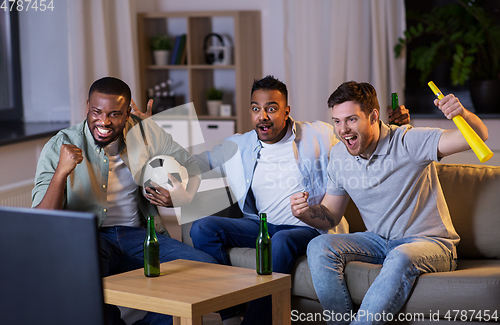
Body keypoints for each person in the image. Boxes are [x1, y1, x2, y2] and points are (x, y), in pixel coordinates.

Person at [189, 76, 409, 325]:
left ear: (286, 112)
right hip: (261, 225)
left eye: (271, 109)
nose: (263, 116)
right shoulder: (239, 145)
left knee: (281, 240)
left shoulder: (319, 134)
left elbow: (359, 140)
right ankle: (229, 313)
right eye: (256, 109)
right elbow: (198, 162)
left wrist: (391, 128)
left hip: (309, 228)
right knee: (203, 228)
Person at [290, 81, 489, 324]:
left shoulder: (407, 141)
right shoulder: (340, 156)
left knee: (400, 255)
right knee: (319, 246)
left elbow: (479, 136)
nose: (343, 129)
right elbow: (331, 214)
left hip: (430, 243)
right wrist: (304, 213)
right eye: (337, 121)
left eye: (351, 119)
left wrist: (462, 114)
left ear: (373, 116)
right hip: (379, 241)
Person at [32, 76, 217, 325]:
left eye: (114, 114)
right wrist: (61, 173)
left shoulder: (145, 131)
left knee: (205, 267)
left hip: (137, 236)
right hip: (90, 238)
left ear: (128, 112)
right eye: (97, 112)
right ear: (87, 105)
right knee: (85, 276)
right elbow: (44, 221)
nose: (104, 122)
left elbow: (192, 167)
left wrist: (181, 197)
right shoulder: (61, 144)